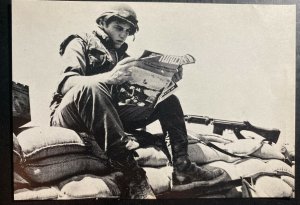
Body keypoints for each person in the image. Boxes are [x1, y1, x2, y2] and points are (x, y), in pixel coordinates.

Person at [50, 4, 225, 199]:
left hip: (108, 116)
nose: (123, 35)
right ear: (102, 23)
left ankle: (182, 166)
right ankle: (134, 177)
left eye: (128, 31)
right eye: (118, 27)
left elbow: (133, 96)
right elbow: (65, 83)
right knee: (94, 87)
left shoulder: (124, 57)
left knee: (169, 100)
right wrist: (108, 77)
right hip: (70, 114)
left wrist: (164, 83)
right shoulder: (80, 42)